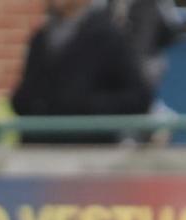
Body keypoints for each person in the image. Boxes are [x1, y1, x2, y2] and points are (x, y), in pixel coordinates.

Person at [10, 0, 152, 143]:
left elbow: (139, 97)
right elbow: (23, 98)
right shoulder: (41, 39)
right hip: (39, 149)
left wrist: (88, 106)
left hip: (87, 150)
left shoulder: (108, 37)